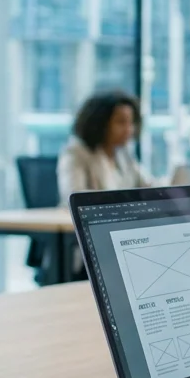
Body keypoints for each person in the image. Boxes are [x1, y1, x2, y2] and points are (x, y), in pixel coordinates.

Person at [53, 90, 157, 280]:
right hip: (85, 246)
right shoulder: (76, 153)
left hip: (120, 240)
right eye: (120, 122)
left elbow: (149, 186)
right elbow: (74, 194)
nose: (129, 129)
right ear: (100, 123)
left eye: (131, 122)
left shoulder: (123, 155)